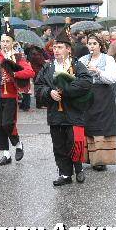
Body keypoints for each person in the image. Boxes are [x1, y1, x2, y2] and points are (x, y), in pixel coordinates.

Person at [34, 27, 92, 185]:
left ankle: (78, 168)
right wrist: (49, 93)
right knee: (59, 145)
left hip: (74, 113)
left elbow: (86, 82)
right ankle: (65, 174)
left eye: (60, 47)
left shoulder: (76, 65)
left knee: (74, 143)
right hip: (55, 114)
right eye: (54, 47)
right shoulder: (48, 67)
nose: (56, 50)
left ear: (68, 49)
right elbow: (38, 87)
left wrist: (66, 90)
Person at [0, 22, 35, 166]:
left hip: (11, 95)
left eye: (7, 41)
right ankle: (6, 154)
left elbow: (30, 72)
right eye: (3, 41)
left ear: (13, 43)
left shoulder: (18, 57)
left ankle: (18, 144)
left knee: (7, 123)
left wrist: (14, 74)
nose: (5, 44)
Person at [79, 35, 116, 171]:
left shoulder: (108, 59)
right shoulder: (82, 60)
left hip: (103, 95)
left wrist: (97, 71)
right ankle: (88, 157)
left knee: (102, 126)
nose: (91, 46)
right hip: (87, 95)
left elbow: (112, 78)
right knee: (87, 125)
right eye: (89, 44)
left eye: (94, 43)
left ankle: (101, 160)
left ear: (100, 45)